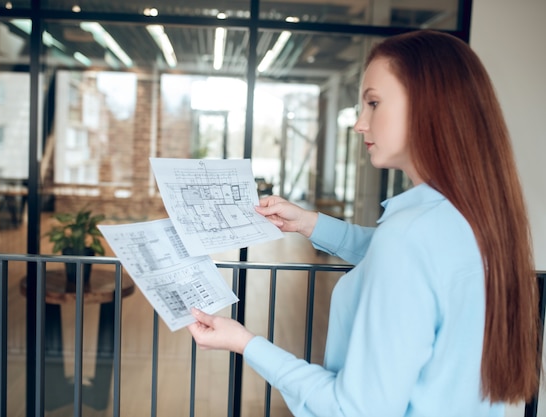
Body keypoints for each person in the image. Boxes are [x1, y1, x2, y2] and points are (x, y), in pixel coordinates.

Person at [187, 29, 541, 417]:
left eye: (373, 103)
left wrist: (246, 343)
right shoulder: (472, 217)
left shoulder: (410, 235)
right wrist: (309, 223)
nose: (359, 123)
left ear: (429, 106)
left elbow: (354, 409)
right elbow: (402, 258)